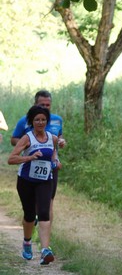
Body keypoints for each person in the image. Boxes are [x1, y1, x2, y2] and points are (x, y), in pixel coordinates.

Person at [8, 105, 58, 265]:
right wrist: (29, 158)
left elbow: (54, 153)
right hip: (26, 181)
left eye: (43, 119)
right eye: (37, 119)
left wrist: (56, 161)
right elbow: (11, 159)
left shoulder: (53, 138)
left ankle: (45, 250)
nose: (40, 122)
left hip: (45, 181)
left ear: (47, 121)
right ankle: (27, 242)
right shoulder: (27, 138)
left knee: (44, 212)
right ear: (32, 121)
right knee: (29, 215)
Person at [11, 90, 65, 222]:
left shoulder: (57, 120)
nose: (45, 107)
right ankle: (31, 223)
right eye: (42, 105)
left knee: (48, 201)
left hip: (50, 164)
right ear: (35, 104)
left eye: (48, 105)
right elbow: (13, 140)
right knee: (32, 204)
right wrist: (28, 145)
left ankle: (46, 238)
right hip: (31, 164)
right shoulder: (25, 121)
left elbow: (59, 137)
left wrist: (62, 141)